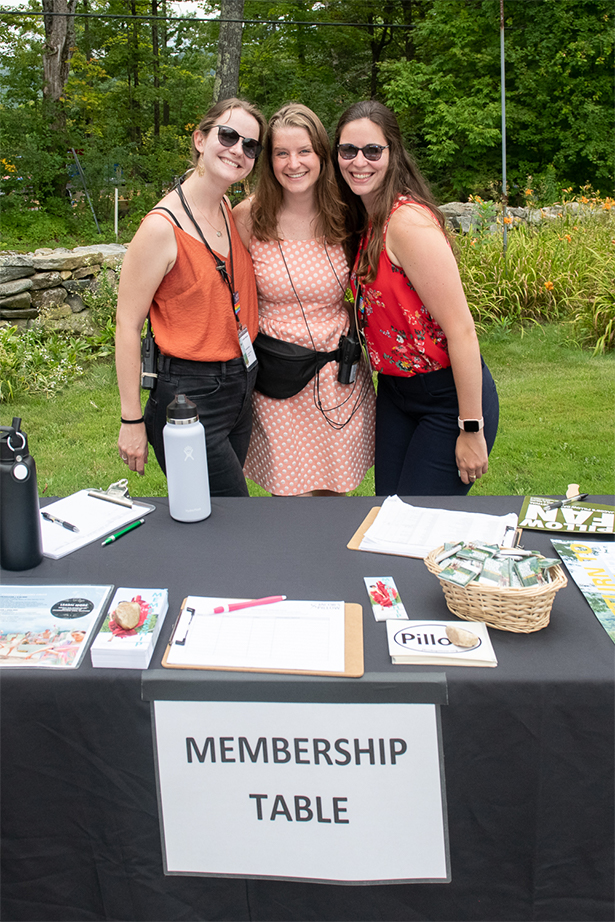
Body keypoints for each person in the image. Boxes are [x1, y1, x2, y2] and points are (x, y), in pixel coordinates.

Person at [334, 100, 499, 496]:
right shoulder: (368, 220)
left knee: (417, 523)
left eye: (372, 150)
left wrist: (471, 428)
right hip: (396, 393)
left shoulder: (407, 223)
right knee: (389, 517)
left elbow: (461, 331)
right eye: (347, 151)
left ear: (393, 153)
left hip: (446, 398)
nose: (359, 161)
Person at [115, 98, 266, 496]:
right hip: (189, 397)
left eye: (250, 145)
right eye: (228, 135)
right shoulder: (161, 228)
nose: (238, 149)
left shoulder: (225, 207)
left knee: (214, 522)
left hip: (239, 384)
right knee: (229, 517)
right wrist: (131, 421)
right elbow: (127, 326)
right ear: (200, 139)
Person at [233, 103, 375, 497]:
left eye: (304, 151)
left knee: (335, 494)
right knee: (290, 499)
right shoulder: (248, 217)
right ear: (269, 160)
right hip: (278, 381)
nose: (293, 163)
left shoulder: (346, 215)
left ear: (321, 155)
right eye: (281, 153)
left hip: (337, 380)